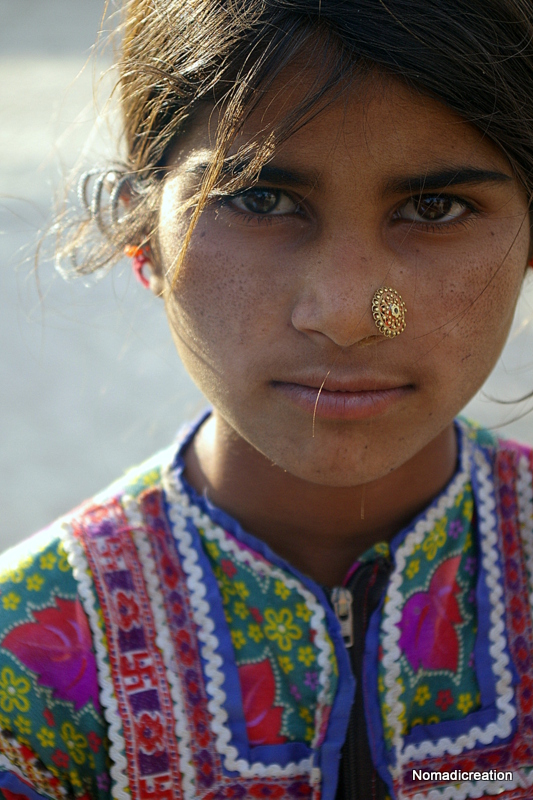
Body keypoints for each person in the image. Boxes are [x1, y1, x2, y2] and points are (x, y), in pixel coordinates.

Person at [2, 0, 533, 798]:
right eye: (259, 200)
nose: (349, 315)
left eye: (433, 208)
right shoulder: (25, 671)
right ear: (143, 235)